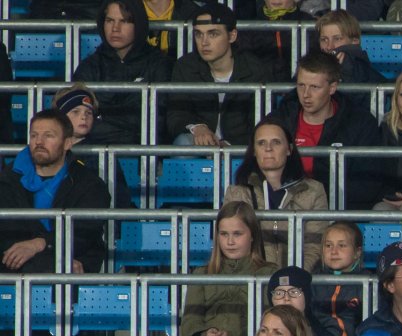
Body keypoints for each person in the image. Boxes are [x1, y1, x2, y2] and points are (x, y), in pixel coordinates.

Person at [267, 50, 382, 210]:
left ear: (332, 87)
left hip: (339, 211)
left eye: (314, 87)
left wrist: (316, 198)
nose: (306, 94)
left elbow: (367, 183)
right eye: (301, 85)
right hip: (283, 207)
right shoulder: (278, 121)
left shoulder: (360, 123)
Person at [0, 108, 109, 274]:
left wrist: (41, 243)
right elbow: (7, 234)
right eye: (34, 135)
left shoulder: (89, 184)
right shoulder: (7, 181)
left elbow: (85, 233)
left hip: (69, 265)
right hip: (13, 266)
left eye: (48, 136)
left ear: (67, 143)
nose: (39, 142)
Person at [223, 121, 328, 271]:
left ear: (289, 149)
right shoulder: (237, 193)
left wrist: (293, 277)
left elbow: (315, 245)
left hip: (297, 280)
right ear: (254, 151)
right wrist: (259, 278)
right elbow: (233, 244)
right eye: (261, 143)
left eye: (276, 142)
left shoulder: (314, 190)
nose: (268, 148)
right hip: (252, 278)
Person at [72, 0, 172, 145]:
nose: (115, 28)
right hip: (96, 150)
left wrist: (105, 117)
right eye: (109, 21)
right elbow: (78, 121)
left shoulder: (159, 64)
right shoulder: (89, 66)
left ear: (138, 24)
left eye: (124, 21)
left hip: (145, 150)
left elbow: (158, 122)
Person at [166, 5, 266, 147]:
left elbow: (261, 125)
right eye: (199, 34)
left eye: (213, 34)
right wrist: (196, 127)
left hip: (241, 148)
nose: (204, 42)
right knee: (183, 142)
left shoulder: (254, 69)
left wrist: (229, 145)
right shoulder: (185, 67)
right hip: (201, 145)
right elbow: (175, 116)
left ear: (232, 36)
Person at [179, 201, 280, 336]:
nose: (230, 242)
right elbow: (189, 323)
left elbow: (276, 323)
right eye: (224, 234)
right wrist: (204, 333)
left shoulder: (269, 273)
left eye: (237, 234)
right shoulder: (202, 274)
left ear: (252, 235)